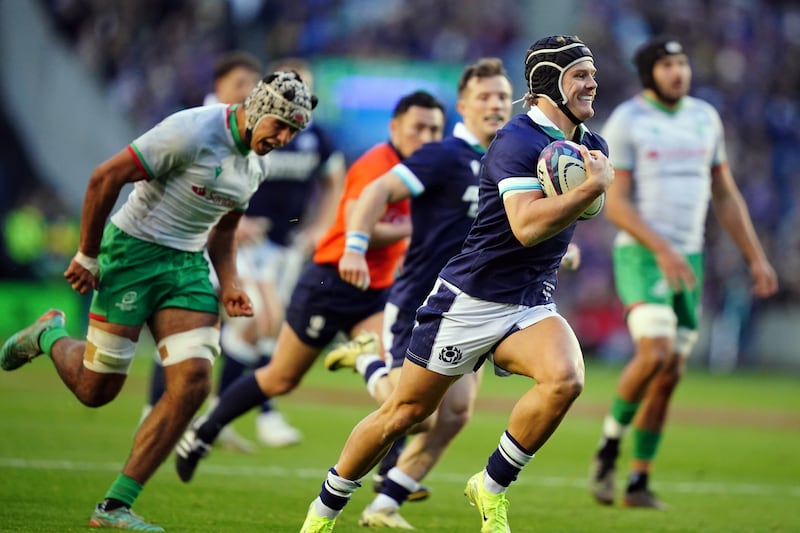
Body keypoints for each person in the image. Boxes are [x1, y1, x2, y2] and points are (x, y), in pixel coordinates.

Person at [300, 34, 614, 533]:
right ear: (548, 82)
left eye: (592, 73)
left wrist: (583, 205)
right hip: (468, 301)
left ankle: (490, 488)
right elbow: (527, 225)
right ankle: (322, 514)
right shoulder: (518, 141)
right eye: (580, 74)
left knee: (566, 379)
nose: (593, 83)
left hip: (529, 300)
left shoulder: (589, 145)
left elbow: (562, 222)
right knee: (405, 413)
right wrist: (592, 188)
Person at [0, 71, 317, 531]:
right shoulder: (193, 129)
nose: (284, 137)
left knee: (193, 384)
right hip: (132, 252)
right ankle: (49, 334)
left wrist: (228, 282)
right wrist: (87, 253)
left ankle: (114, 508)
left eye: (294, 131)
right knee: (96, 390)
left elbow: (224, 231)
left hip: (186, 267)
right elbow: (104, 177)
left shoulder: (255, 165)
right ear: (259, 109)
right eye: (280, 125)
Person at [174, 90, 446, 482]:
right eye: (418, 127)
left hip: (377, 293)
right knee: (280, 378)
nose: (426, 136)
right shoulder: (378, 166)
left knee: (404, 389)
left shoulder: (428, 170)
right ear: (395, 127)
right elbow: (359, 223)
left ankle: (387, 470)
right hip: (330, 281)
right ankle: (205, 431)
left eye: (434, 128)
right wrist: (414, 230)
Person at [321, 57, 514, 529]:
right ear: (463, 104)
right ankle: (366, 356)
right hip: (420, 305)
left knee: (457, 414)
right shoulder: (443, 154)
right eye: (484, 96)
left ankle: (384, 505)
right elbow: (376, 193)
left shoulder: (511, 161)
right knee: (419, 417)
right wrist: (355, 246)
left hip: (472, 308)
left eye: (503, 97)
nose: (495, 104)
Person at [589, 37, 778, 510]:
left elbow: (726, 193)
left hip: (688, 258)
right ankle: (609, 445)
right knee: (653, 354)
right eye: (668, 65)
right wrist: (661, 249)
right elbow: (616, 202)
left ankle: (637, 481)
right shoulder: (629, 120)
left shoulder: (704, 118)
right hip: (642, 255)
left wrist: (756, 257)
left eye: (682, 64)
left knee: (671, 372)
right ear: (649, 73)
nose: (678, 73)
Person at [204, 57, 346, 450]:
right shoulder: (253, 126)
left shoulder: (318, 136)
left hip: (286, 243)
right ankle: (262, 413)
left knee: (260, 327)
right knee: (263, 319)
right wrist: (232, 218)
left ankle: (218, 412)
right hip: (242, 239)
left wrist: (320, 226)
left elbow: (335, 182)